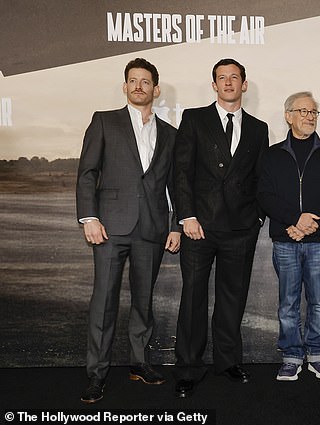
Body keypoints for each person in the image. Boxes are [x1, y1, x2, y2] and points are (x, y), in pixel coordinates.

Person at [76, 58, 180, 403]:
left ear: (156, 89)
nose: (139, 86)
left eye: (145, 81)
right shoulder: (104, 121)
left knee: (143, 302)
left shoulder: (170, 133)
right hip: (109, 226)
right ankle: (97, 374)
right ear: (124, 87)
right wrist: (89, 217)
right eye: (133, 81)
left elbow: (175, 184)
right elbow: (88, 173)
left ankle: (139, 363)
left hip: (151, 228)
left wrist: (177, 223)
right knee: (104, 301)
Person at [172, 58, 269, 398]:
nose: (228, 82)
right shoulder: (194, 118)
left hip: (241, 229)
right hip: (199, 228)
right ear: (214, 85)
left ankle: (227, 362)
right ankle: (188, 368)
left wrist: (257, 216)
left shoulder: (259, 129)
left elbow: (260, 178)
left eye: (234, 77)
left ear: (244, 84)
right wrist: (187, 216)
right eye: (221, 78)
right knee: (193, 298)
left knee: (232, 298)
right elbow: (180, 171)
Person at [257, 92, 320, 381]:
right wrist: (293, 221)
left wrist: (309, 224)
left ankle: (318, 355)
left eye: (313, 112)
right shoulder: (272, 155)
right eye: (303, 111)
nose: (309, 117)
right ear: (288, 116)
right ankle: (292, 356)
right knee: (288, 302)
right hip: (285, 240)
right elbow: (265, 196)